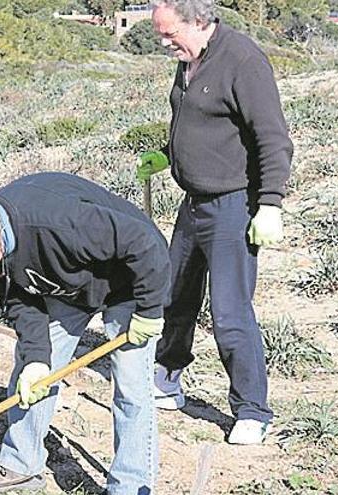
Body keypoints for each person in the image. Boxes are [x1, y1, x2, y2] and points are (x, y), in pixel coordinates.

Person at [0, 172, 170, 495]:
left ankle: (130, 485)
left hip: (128, 281)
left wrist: (150, 311)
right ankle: (21, 464)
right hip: (72, 287)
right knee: (32, 374)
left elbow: (144, 242)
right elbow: (20, 301)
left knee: (131, 384)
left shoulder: (59, 222)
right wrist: (37, 359)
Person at [137, 0, 293, 445]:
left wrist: (270, 204)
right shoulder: (190, 59)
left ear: (200, 22)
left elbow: (272, 138)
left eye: (170, 34)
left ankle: (252, 410)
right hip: (194, 202)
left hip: (233, 205)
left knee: (228, 311)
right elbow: (201, 125)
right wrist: (169, 157)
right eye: (159, 34)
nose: (164, 43)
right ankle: (167, 376)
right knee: (174, 294)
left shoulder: (243, 61)